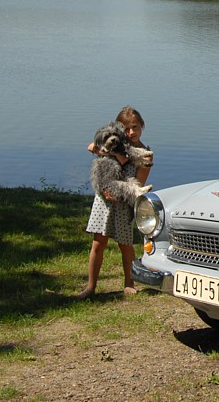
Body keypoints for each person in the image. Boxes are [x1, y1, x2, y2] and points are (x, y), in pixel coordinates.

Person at [76, 106, 152, 299]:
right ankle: (90, 286)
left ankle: (129, 282)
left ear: (142, 125)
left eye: (135, 127)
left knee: (125, 245)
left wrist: (123, 162)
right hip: (103, 201)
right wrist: (114, 156)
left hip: (124, 204)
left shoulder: (145, 153)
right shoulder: (115, 142)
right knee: (97, 244)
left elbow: (140, 182)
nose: (131, 132)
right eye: (126, 129)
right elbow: (91, 147)